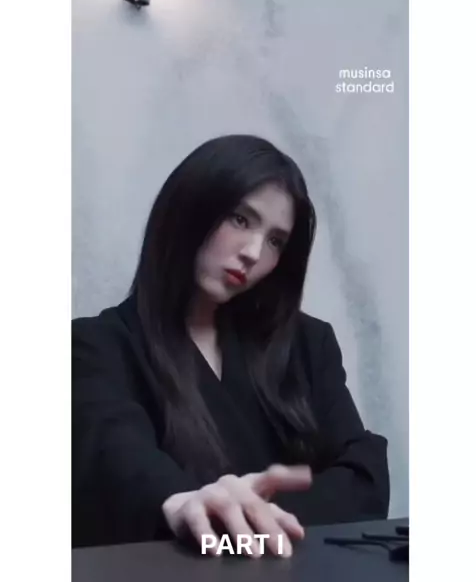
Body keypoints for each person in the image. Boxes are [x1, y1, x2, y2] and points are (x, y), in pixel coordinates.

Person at [72, 134, 389, 557]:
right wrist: (183, 503)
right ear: (188, 209)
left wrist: (246, 515)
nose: (254, 252)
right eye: (240, 219)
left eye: (276, 241)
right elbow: (117, 463)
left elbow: (365, 479)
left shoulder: (308, 345)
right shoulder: (98, 346)